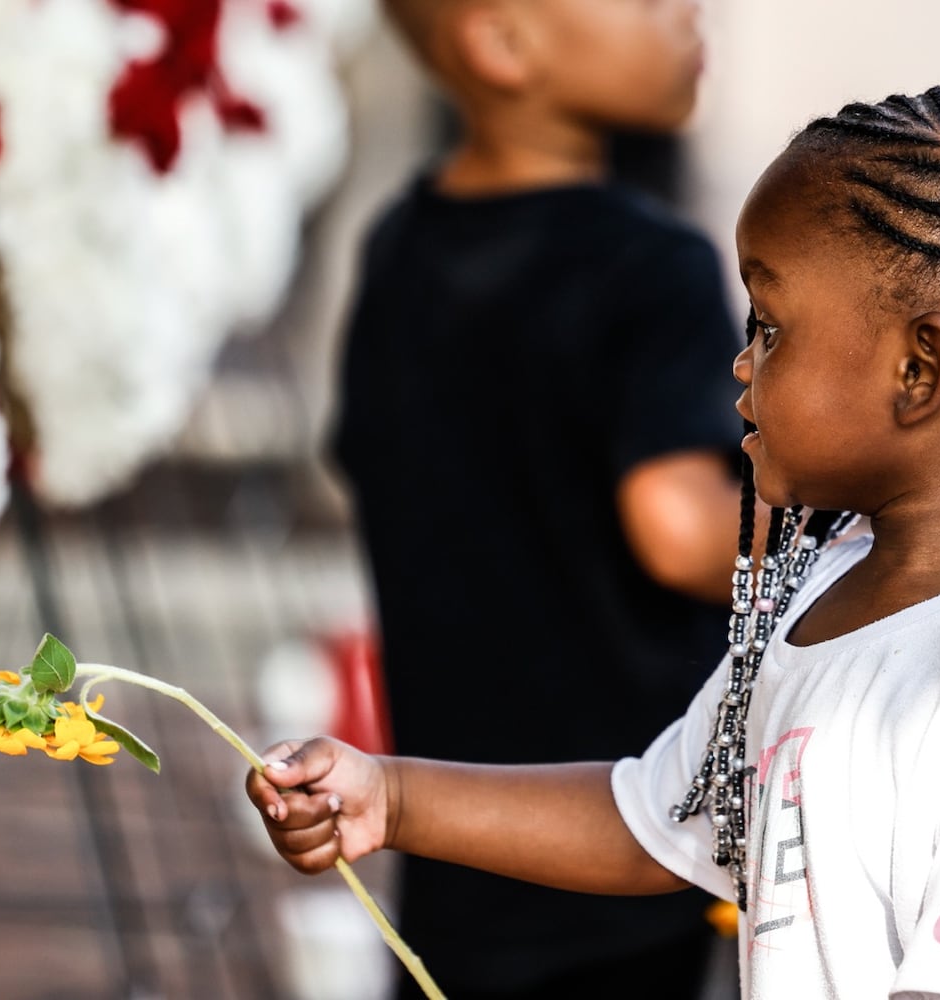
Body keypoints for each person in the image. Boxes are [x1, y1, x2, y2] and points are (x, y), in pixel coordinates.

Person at [254, 81, 940, 998]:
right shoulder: (816, 586)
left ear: (916, 369)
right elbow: (654, 817)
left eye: (769, 325)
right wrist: (392, 797)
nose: (739, 360)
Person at [324, 0, 755, 995]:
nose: (691, 12)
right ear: (501, 41)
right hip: (620, 837)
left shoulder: (397, 246)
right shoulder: (651, 263)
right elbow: (681, 525)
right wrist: (868, 526)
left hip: (450, 834)